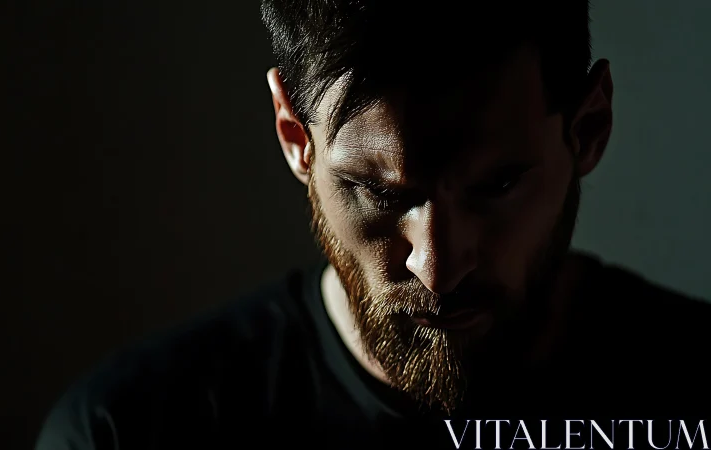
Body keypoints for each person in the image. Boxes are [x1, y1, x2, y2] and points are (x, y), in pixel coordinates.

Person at [35, 0, 711, 448]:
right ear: (295, 136)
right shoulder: (126, 433)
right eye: (375, 191)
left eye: (496, 185)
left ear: (588, 129)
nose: (438, 266)